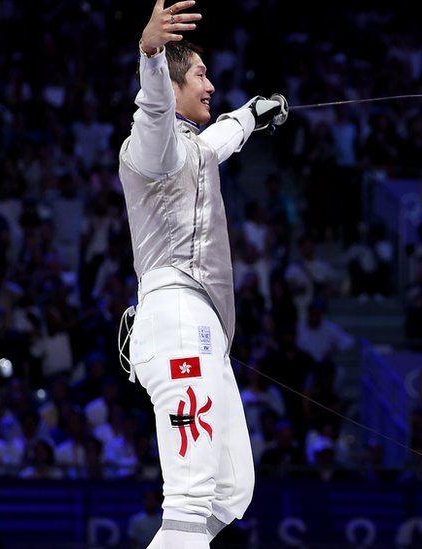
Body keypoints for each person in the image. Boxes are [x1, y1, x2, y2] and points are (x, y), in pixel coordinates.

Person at [117, 1, 287, 547]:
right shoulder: (153, 144)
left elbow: (222, 138)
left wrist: (255, 113)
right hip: (177, 321)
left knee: (230, 490)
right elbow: (154, 109)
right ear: (173, 84)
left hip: (203, 330)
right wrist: (151, 53)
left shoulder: (193, 150)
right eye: (200, 74)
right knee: (189, 499)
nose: (210, 83)